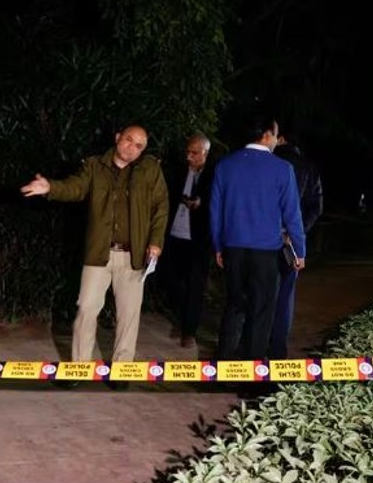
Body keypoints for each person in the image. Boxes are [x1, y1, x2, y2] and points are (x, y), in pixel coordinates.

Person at [21, 125, 168, 363]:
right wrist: (50, 188)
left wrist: (156, 242)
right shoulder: (94, 166)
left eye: (139, 146)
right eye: (129, 140)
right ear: (118, 137)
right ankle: (79, 366)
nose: (132, 148)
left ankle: (123, 369)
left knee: (129, 315)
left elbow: (160, 207)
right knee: (86, 309)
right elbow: (75, 187)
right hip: (99, 252)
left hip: (134, 256)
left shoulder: (149, 169)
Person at [209, 113, 305, 360]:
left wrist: (218, 247)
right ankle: (251, 379)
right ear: (267, 135)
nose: (277, 141)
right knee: (261, 312)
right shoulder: (283, 169)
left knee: (234, 306)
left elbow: (215, 211)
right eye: (276, 135)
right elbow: (292, 215)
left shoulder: (225, 165)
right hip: (266, 253)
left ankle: (224, 367)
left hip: (233, 249)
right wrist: (299, 251)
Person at [269, 131, 323, 358]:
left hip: (265, 240)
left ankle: (254, 349)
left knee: (260, 294)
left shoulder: (271, 163)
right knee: (285, 297)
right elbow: (316, 207)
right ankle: (277, 351)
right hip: (291, 244)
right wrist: (297, 232)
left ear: (280, 139)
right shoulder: (310, 168)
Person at [160, 133, 213, 349]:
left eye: (194, 153)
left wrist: (202, 202)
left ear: (205, 153)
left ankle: (188, 331)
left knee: (195, 286)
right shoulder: (178, 170)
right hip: (174, 235)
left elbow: (219, 201)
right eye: (187, 152)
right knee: (169, 279)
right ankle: (182, 316)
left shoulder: (214, 174)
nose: (189, 157)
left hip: (198, 239)